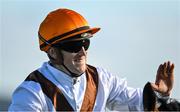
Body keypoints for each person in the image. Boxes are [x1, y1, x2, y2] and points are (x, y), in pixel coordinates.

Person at [9, 8, 175, 111]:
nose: (82, 51)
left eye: (85, 42)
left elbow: (137, 105)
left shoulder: (102, 79)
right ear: (53, 52)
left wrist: (163, 95)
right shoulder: (31, 93)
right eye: (74, 45)